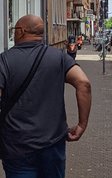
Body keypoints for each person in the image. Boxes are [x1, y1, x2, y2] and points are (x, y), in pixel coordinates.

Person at [0, 14, 92, 178]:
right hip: (53, 143)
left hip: (17, 145)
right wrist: (81, 124)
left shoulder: (4, 61)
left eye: (14, 30)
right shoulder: (59, 57)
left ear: (21, 31)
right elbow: (84, 83)